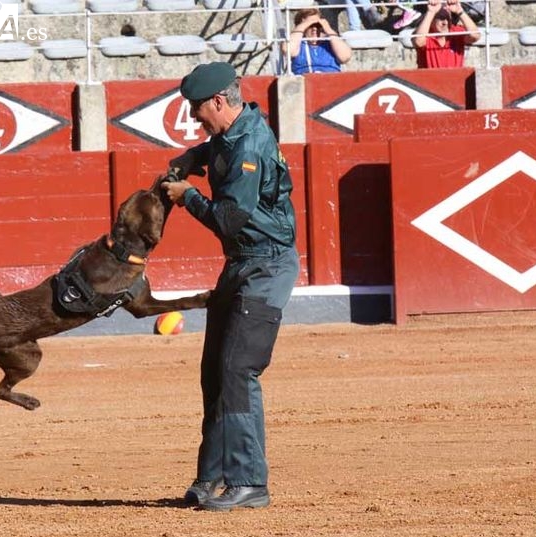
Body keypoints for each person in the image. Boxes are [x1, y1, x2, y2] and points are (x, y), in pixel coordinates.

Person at [161, 62, 299, 511]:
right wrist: (194, 157)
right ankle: (214, 475)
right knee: (216, 371)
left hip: (266, 266)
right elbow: (219, 144)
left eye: (196, 108)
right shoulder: (234, 130)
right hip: (241, 264)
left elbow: (228, 220)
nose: (193, 116)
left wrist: (188, 196)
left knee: (238, 368)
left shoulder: (250, 145)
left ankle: (249, 481)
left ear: (219, 101)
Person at [412, 0, 481, 69]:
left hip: (455, 76)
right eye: (441, 18)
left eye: (448, 18)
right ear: (431, 20)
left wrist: (459, 11)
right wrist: (431, 12)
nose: (445, 22)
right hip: (430, 76)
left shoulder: (456, 32)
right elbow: (418, 42)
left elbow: (475, 36)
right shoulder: (425, 33)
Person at [283, 8, 352, 75]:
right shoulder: (298, 43)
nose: (314, 29)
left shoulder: (331, 42)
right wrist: (304, 25)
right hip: (305, 80)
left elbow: (345, 57)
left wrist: (328, 29)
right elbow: (288, 50)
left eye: (317, 25)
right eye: (310, 25)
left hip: (330, 80)